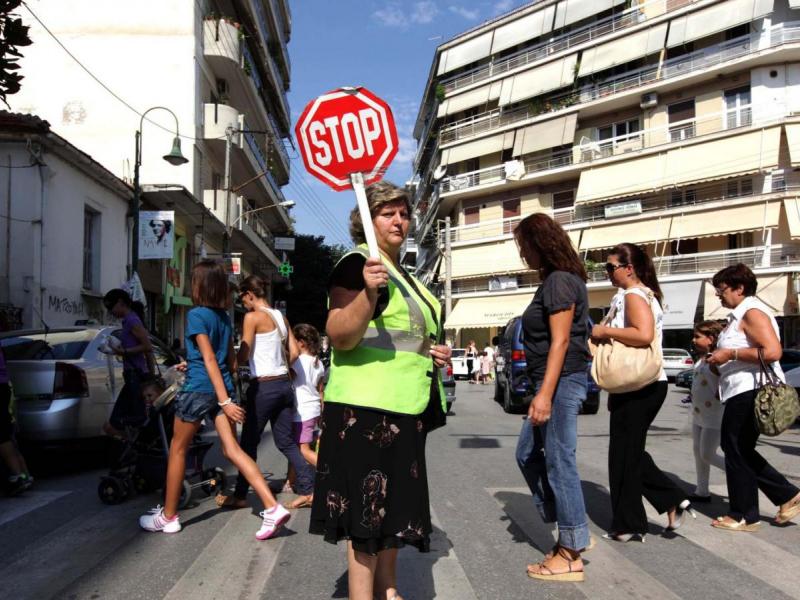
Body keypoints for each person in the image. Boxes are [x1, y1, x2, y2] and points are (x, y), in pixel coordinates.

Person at [309, 180, 450, 600]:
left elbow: (404, 335)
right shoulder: (359, 264)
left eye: (404, 213)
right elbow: (339, 334)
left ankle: (388, 591)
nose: (400, 220)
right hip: (364, 410)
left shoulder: (403, 274)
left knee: (390, 518)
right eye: (388, 213)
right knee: (366, 522)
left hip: (403, 408)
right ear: (366, 221)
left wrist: (432, 350)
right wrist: (368, 294)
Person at [138, 260, 290, 539]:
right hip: (223, 388)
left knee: (178, 450)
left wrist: (221, 400)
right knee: (233, 450)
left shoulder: (197, 315)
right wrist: (222, 393)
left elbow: (208, 358)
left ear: (199, 285)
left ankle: (169, 516)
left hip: (200, 390)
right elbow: (229, 361)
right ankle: (272, 506)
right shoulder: (223, 317)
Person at [590, 243, 692, 542]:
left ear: (629, 268)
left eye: (611, 267)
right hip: (639, 383)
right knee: (626, 453)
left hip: (641, 384)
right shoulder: (637, 295)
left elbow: (643, 334)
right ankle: (661, 505)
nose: (606, 272)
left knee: (624, 455)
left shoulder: (634, 295)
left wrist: (605, 331)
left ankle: (632, 523)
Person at [512, 213, 591, 582]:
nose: (522, 254)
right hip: (551, 382)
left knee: (560, 461)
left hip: (559, 383)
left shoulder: (560, 281)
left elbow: (560, 340)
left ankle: (572, 550)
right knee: (527, 453)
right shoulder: (557, 280)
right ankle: (568, 527)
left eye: (524, 245)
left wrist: (544, 394)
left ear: (538, 243)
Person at [706, 264, 800, 530]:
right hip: (740, 388)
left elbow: (772, 351)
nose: (719, 296)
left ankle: (744, 514)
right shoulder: (738, 316)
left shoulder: (752, 312)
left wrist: (729, 355)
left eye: (722, 290)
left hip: (751, 389)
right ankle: (786, 495)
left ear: (740, 288)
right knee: (740, 449)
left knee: (735, 447)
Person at [214, 275, 314, 511]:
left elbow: (244, 353)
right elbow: (294, 353)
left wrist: (233, 364)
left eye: (243, 298)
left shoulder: (252, 317)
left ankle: (239, 495)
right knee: (287, 443)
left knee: (248, 444)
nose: (243, 303)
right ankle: (309, 490)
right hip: (284, 386)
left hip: (264, 388)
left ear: (249, 293)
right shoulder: (282, 317)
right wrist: (279, 367)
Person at [103, 289, 153, 437]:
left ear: (120, 303)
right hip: (132, 374)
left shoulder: (132, 320)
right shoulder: (128, 321)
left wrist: (123, 352)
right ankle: (135, 442)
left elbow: (147, 346)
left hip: (135, 374)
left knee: (122, 419)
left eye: (111, 307)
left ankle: (137, 442)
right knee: (126, 417)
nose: (111, 312)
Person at [688, 321, 726, 503]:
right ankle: (702, 490)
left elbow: (722, 385)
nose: (694, 340)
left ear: (711, 338)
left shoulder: (716, 359)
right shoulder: (702, 358)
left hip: (715, 416)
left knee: (707, 453)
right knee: (698, 452)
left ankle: (740, 473)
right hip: (699, 414)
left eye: (697, 336)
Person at [291, 323, 325, 468]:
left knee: (301, 450)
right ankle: (290, 481)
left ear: (301, 343)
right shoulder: (318, 363)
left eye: (293, 341)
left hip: (302, 412)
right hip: (315, 409)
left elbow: (288, 381)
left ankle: (329, 470)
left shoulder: (297, 362)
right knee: (301, 446)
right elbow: (321, 391)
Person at [0, 346, 32, 496]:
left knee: (3, 437)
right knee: (7, 436)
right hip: (4, 387)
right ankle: (25, 476)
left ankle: (19, 476)